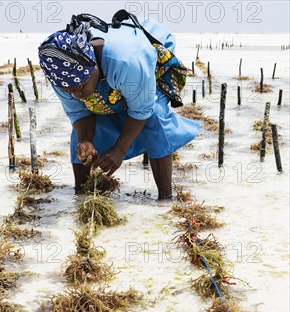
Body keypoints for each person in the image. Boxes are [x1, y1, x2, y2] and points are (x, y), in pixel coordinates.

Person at [38, 12, 201, 200]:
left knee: (154, 119)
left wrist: (120, 149)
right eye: (69, 91)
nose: (77, 94)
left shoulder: (125, 61)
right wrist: (86, 140)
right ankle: (81, 197)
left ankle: (165, 199)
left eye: (81, 87)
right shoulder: (61, 76)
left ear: (93, 67)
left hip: (151, 63)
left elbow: (142, 109)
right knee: (79, 140)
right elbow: (79, 113)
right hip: (115, 74)